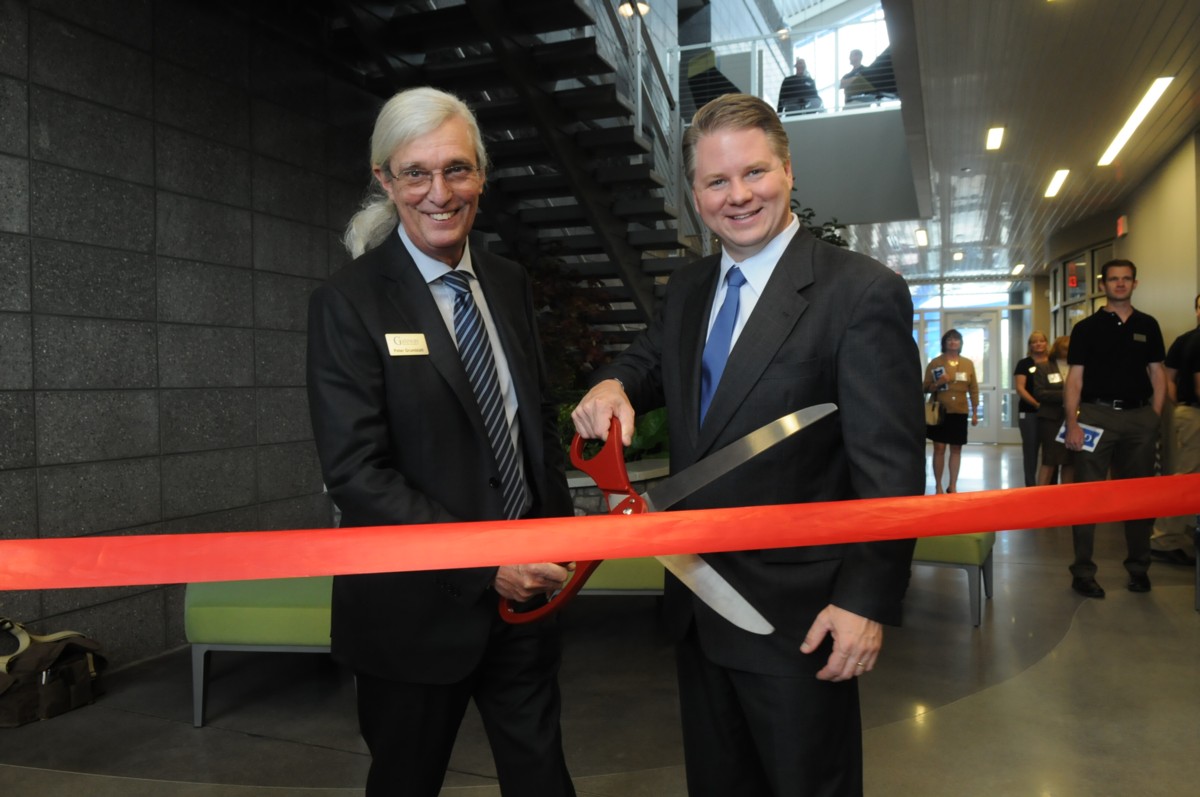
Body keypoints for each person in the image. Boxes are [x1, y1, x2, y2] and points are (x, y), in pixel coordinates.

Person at [572, 93, 924, 797]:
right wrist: (612, 384)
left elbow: (890, 470)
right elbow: (647, 364)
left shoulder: (860, 293)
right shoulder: (689, 288)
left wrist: (865, 601)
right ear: (695, 193)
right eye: (716, 181)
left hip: (801, 617)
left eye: (754, 172)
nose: (738, 196)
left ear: (788, 170)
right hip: (697, 603)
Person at [306, 87, 577, 796]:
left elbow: (534, 420)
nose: (439, 192)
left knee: (544, 781)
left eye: (457, 169)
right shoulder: (348, 302)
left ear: (481, 174)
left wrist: (558, 538)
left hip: (526, 608)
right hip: (413, 618)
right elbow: (356, 473)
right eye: (416, 173)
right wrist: (487, 561)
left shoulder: (508, 282)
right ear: (385, 179)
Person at [1063, 259, 1166, 598]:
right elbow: (1074, 379)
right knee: (1087, 496)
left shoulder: (1148, 325)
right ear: (1102, 285)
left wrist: (1153, 416)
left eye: (1126, 279)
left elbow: (1157, 373)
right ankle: (1083, 572)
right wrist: (1073, 422)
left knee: (1140, 497)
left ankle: (1139, 569)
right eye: (1113, 279)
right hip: (1096, 416)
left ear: (1135, 284)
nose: (1120, 283)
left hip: (1139, 418)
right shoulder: (1086, 328)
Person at [1149, 293, 1200, 566]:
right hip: (1194, 416)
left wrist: (1178, 403)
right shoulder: (1191, 340)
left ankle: (1175, 534)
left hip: (1187, 413)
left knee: (1187, 477)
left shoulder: (1184, 339)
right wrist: (1183, 404)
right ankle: (1164, 539)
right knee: (1187, 478)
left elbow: (1168, 377)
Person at [923, 329, 980, 494]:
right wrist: (938, 383)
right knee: (939, 448)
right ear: (944, 343)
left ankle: (953, 485)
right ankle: (938, 486)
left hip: (960, 411)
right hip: (940, 411)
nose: (953, 342)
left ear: (961, 343)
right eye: (949, 339)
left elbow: (973, 389)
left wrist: (975, 412)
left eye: (956, 339)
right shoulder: (935, 363)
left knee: (956, 448)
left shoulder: (968, 363)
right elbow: (925, 387)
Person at [1032, 335, 1073, 487]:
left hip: (1073, 418)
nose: (1068, 352)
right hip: (1051, 419)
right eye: (1065, 349)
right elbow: (1039, 393)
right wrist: (1066, 395)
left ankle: (1067, 494)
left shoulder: (1077, 367)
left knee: (1070, 460)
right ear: (1058, 349)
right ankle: (1040, 494)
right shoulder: (1044, 367)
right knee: (1049, 459)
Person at [1014, 331, 1050, 486]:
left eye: (1041, 341)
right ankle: (1030, 486)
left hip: (1051, 413)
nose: (1038, 344)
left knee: (1051, 452)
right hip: (1029, 412)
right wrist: (1036, 404)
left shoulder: (1053, 362)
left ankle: (1049, 486)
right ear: (1030, 346)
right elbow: (1020, 388)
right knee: (1030, 450)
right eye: (1034, 342)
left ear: (1046, 343)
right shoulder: (1024, 364)